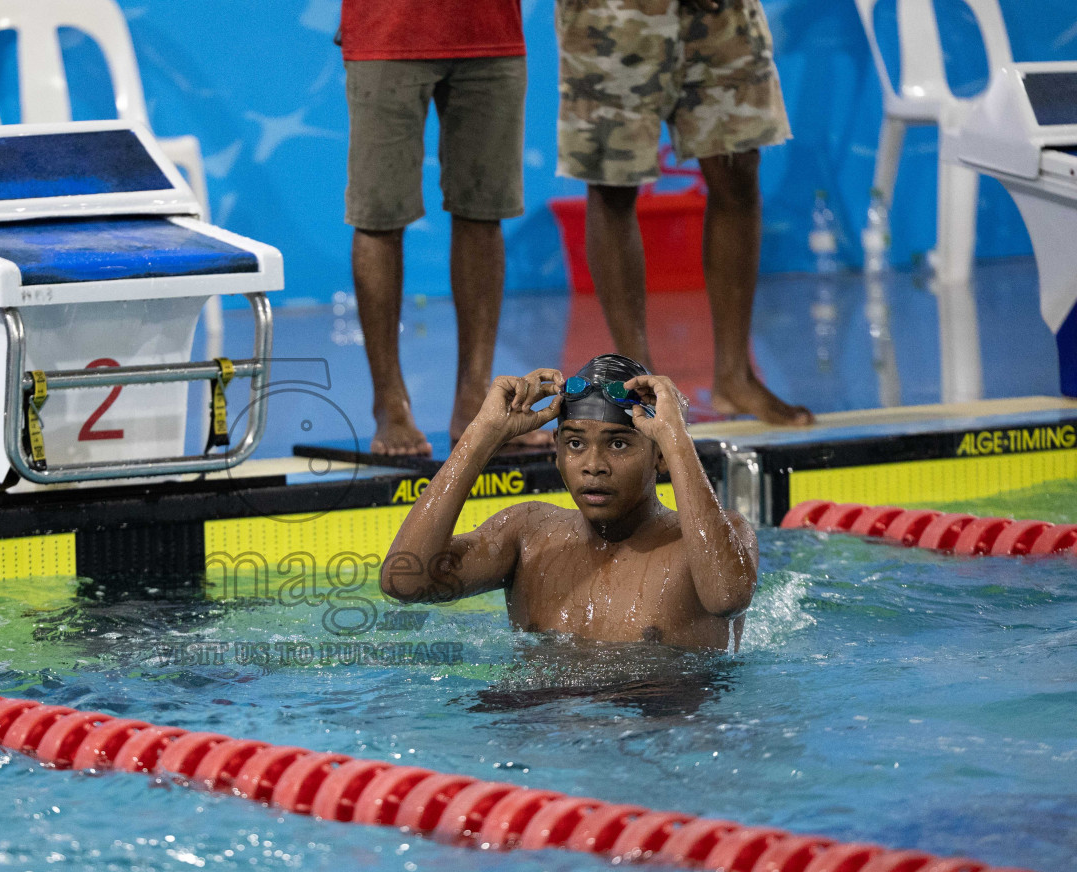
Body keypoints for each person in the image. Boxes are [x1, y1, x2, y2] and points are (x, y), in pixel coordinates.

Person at [380, 354, 758, 651]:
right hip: (536, 727)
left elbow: (727, 596)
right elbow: (403, 581)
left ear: (658, 456)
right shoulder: (527, 534)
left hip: (656, 730)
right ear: (556, 452)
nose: (593, 466)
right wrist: (482, 436)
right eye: (576, 443)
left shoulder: (716, 538)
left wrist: (677, 439)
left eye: (618, 444)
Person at [556, 0, 814, 427]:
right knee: (613, 180)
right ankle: (639, 387)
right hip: (614, 13)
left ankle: (735, 377)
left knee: (738, 166)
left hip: (719, 11)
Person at [340, 0, 551, 456]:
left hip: (491, 28)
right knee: (378, 216)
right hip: (386, 29)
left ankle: (477, 399)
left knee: (483, 212)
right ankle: (388, 403)